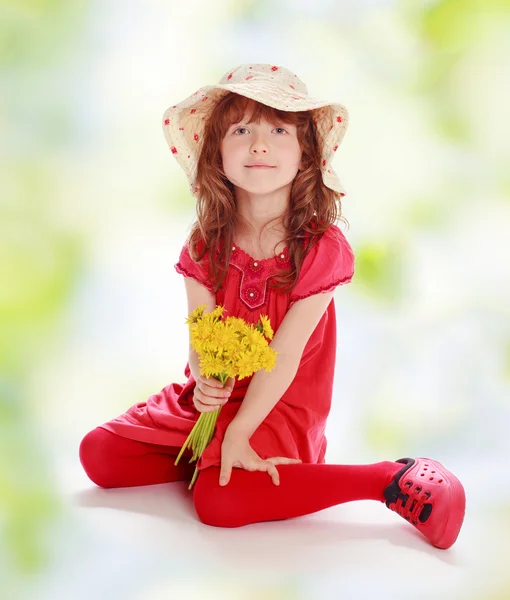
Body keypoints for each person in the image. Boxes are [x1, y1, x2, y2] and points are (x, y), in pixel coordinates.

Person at [79, 63, 466, 549]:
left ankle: (387, 478)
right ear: (217, 155)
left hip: (278, 403)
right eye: (241, 130)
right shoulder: (205, 245)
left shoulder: (321, 247)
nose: (258, 144)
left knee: (218, 507)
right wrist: (202, 383)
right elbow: (202, 334)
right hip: (216, 397)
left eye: (278, 130)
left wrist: (241, 430)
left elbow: (283, 356)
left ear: (306, 155)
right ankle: (215, 459)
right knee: (101, 455)